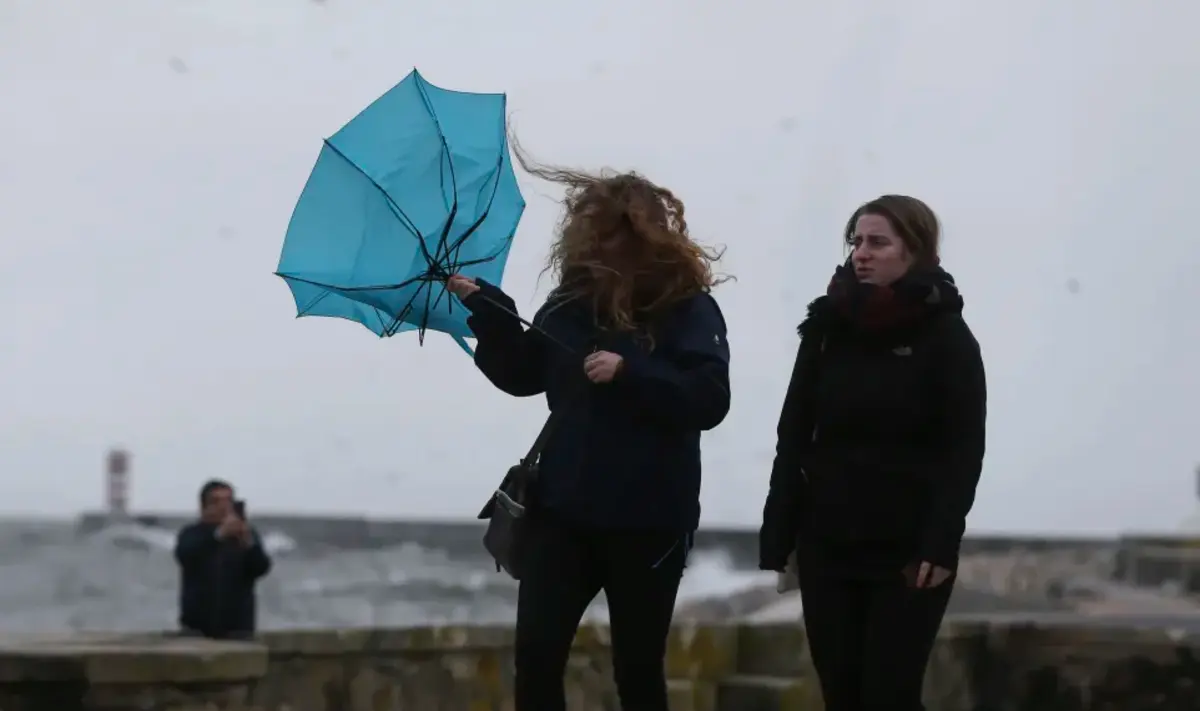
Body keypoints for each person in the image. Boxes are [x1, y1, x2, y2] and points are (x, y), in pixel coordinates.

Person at [446, 159, 731, 711]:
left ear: (640, 233)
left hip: (649, 523)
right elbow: (525, 376)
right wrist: (491, 313)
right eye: (587, 230)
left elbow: (710, 399)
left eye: (606, 231)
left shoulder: (686, 308)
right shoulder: (568, 303)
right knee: (535, 656)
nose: (592, 243)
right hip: (562, 514)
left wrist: (632, 373)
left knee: (638, 670)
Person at [758, 195, 986, 711]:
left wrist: (940, 542)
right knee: (842, 695)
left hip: (907, 553)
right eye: (856, 241)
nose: (861, 253)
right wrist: (779, 533)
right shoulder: (825, 329)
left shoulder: (947, 335)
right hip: (827, 544)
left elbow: (964, 448)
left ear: (915, 251)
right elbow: (792, 434)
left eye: (877, 242)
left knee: (889, 696)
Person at [174, 479, 272, 639]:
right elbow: (186, 555)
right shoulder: (191, 533)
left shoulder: (247, 535)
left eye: (228, 501)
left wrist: (248, 544)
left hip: (239, 630)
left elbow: (261, 568)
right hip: (197, 630)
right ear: (204, 507)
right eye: (216, 501)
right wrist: (218, 535)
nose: (223, 507)